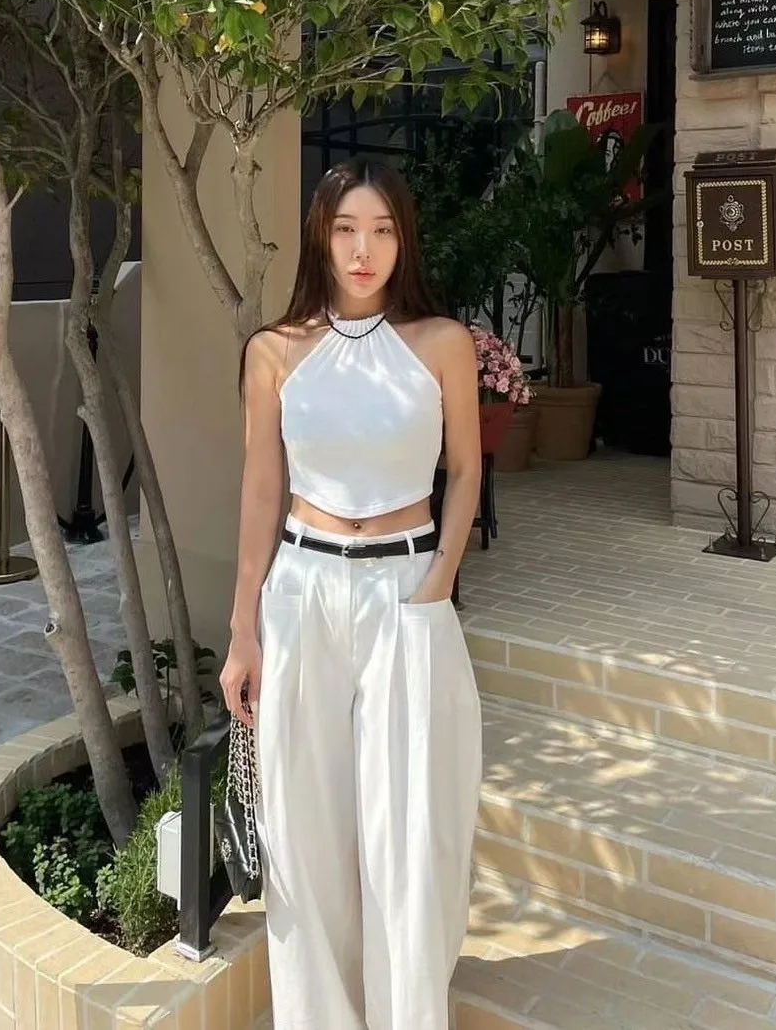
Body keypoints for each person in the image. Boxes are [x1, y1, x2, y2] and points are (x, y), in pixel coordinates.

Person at [222, 156, 485, 1030]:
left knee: (408, 829)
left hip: (405, 593)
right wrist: (243, 631)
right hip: (302, 591)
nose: (362, 250)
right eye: (345, 230)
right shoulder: (275, 352)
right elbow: (261, 490)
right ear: (321, 239)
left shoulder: (442, 343)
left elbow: (466, 469)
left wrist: (438, 580)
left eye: (381, 230)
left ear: (403, 240)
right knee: (307, 829)